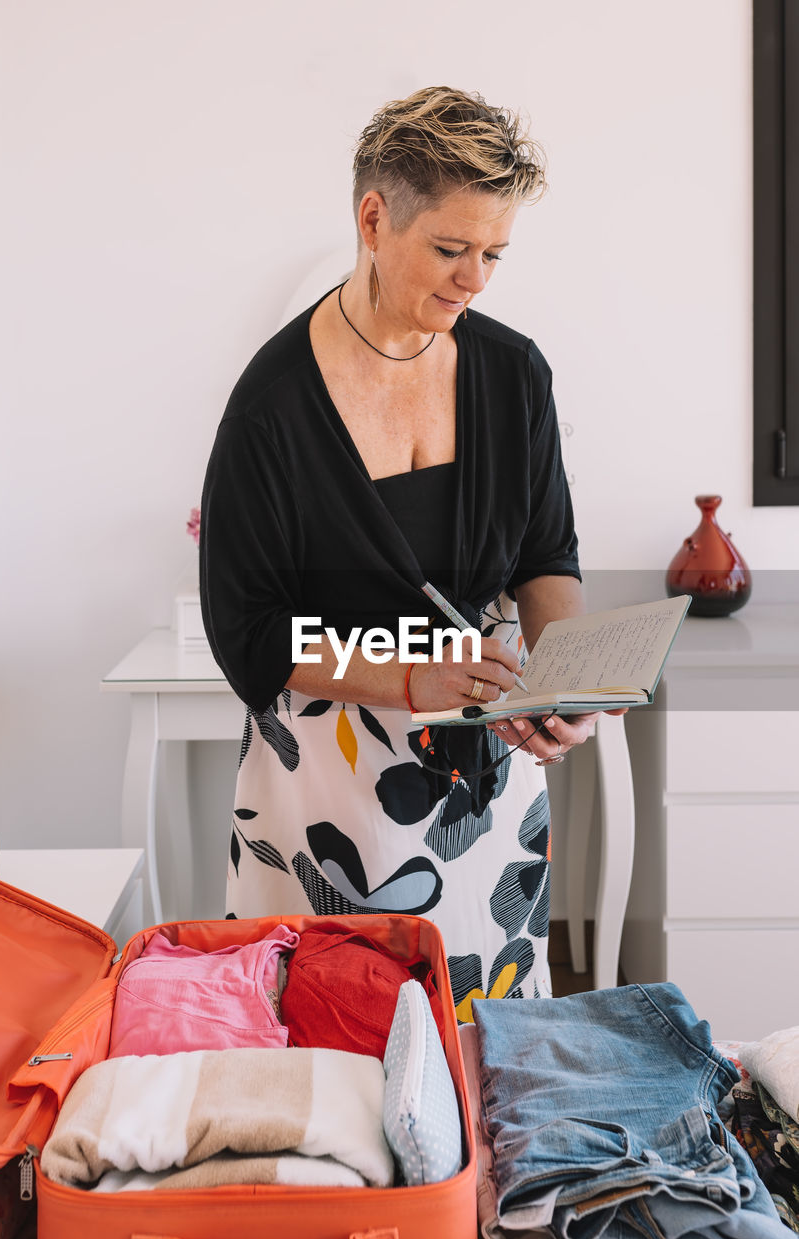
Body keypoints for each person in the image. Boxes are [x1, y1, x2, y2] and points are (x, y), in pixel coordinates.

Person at [200, 86, 611, 1017]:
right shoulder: (271, 407)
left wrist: (562, 683)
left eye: (493, 254)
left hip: (486, 788)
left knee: (487, 1059)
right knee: (328, 1063)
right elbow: (248, 637)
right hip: (323, 788)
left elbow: (547, 555)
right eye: (451, 249)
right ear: (374, 218)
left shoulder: (512, 373)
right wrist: (412, 678)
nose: (475, 281)